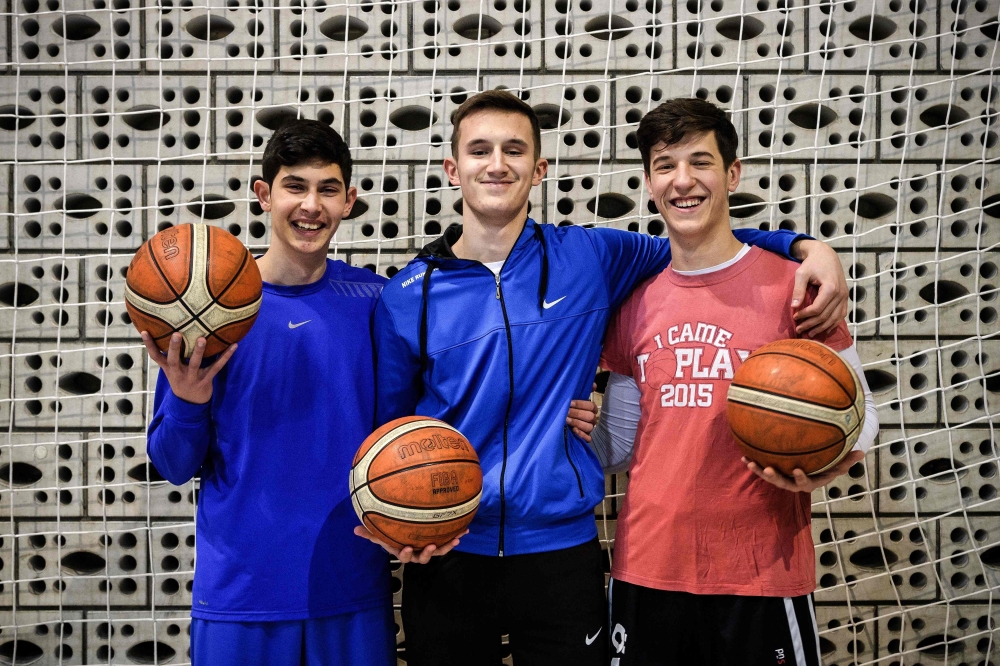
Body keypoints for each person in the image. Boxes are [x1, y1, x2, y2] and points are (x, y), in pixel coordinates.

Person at [362, 90, 850, 666]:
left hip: (560, 552)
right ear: (452, 168)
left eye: (514, 150)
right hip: (450, 550)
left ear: (539, 169)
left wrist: (806, 247)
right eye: (480, 150)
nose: (497, 164)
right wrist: (399, 522)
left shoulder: (590, 255)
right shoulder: (405, 295)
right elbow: (389, 431)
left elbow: (697, 240)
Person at [591, 98, 880, 666]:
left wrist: (825, 465)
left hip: (761, 572)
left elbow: (862, 415)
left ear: (732, 173)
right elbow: (623, 445)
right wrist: (567, 433)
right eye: (665, 165)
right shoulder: (633, 302)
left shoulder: (797, 286)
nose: (683, 181)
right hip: (648, 567)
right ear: (649, 181)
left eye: (700, 162)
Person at [143, 120, 401, 665]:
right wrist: (188, 401)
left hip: (352, 585)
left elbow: (409, 426)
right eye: (295, 186)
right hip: (242, 593)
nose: (311, 205)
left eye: (328, 189)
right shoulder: (209, 309)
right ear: (264, 194)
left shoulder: (378, 301)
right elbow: (170, 464)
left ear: (350, 200)